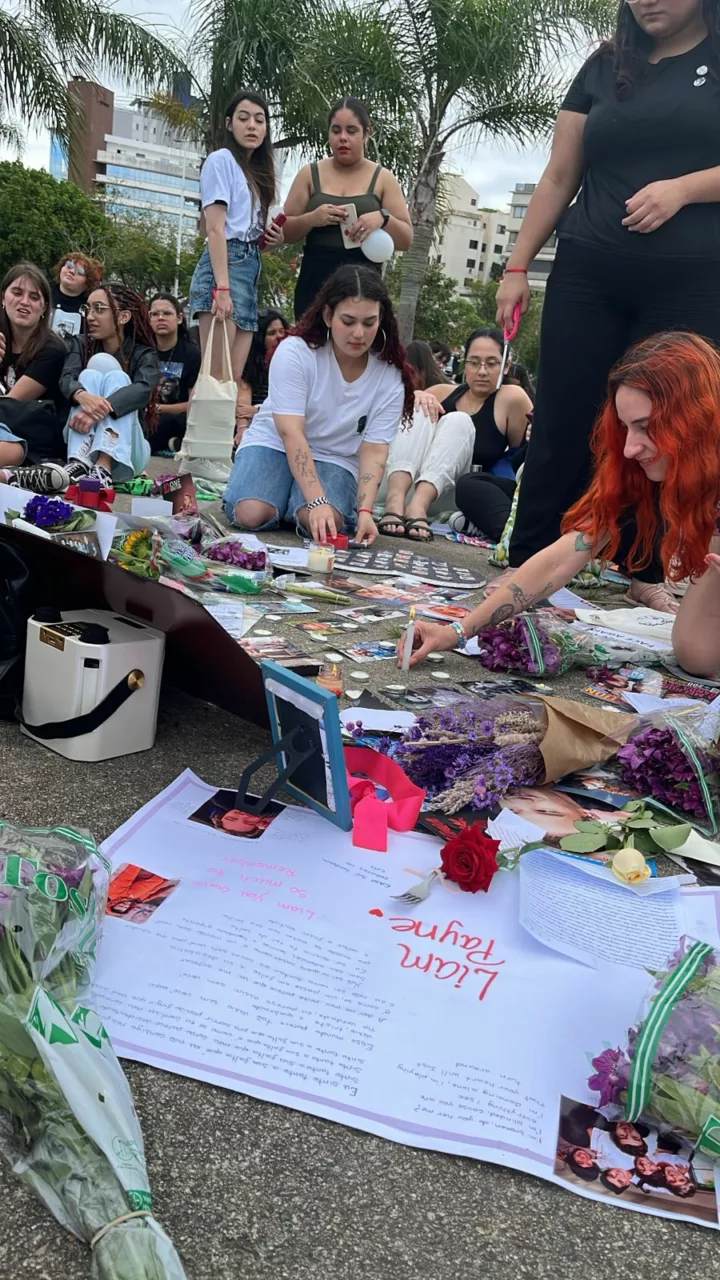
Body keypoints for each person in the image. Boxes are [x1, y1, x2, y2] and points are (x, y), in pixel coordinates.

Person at [495, 0, 720, 615]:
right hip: (590, 268)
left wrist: (684, 190)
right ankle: (528, 561)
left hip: (691, 278)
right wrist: (517, 267)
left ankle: (643, 568)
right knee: (566, 414)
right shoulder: (604, 65)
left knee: (664, 427)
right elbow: (559, 173)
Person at [399, 332, 720, 667]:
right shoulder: (635, 469)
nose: (629, 448)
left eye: (646, 427)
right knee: (694, 654)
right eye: (626, 428)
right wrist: (456, 632)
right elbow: (561, 556)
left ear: (696, 416)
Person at [224, 265, 414, 545]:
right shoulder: (295, 351)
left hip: (335, 456)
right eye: (348, 321)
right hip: (274, 442)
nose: (359, 333)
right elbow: (291, 432)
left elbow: (375, 450)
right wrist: (317, 499)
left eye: (369, 322)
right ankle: (285, 496)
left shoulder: (389, 376)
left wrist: (364, 511)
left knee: (326, 525)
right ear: (327, 315)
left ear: (381, 320)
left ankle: (293, 503)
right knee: (250, 514)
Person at [187, 89, 284, 482]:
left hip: (248, 265)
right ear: (229, 124)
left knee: (229, 378)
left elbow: (250, 232)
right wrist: (222, 288)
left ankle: (211, 455)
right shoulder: (221, 161)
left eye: (259, 119)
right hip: (224, 266)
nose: (252, 125)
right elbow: (216, 228)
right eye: (243, 117)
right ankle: (197, 456)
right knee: (212, 373)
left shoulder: (257, 172)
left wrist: (271, 239)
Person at [381, 328, 532, 543]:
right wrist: (417, 396)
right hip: (401, 482)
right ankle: (394, 502)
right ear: (464, 364)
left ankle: (418, 506)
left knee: (458, 421)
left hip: (452, 491)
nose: (482, 371)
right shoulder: (441, 392)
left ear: (505, 366)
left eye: (491, 364)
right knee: (420, 403)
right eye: (474, 362)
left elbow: (519, 461)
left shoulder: (511, 398)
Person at [283, 97, 413, 320]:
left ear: (366, 134)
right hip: (315, 281)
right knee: (312, 349)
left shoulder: (383, 178)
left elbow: (406, 239)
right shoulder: (309, 174)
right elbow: (284, 231)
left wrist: (382, 218)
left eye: (351, 130)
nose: (343, 137)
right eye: (336, 130)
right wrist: (311, 219)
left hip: (364, 286)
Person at [59, 283, 159, 487]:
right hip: (80, 436)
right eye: (88, 309)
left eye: (99, 309)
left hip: (128, 453)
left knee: (118, 379)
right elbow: (67, 378)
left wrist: (94, 410)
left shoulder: (144, 353)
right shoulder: (80, 343)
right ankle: (80, 461)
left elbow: (143, 390)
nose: (90, 317)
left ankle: (105, 464)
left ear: (123, 317)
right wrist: (82, 396)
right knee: (89, 374)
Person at [0, 262, 70, 492]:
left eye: (34, 297)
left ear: (44, 308)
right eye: (17, 293)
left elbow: (9, 404)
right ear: (3, 298)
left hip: (33, 438)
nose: (24, 302)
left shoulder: (52, 349)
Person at [148, 293, 201, 455]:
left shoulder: (192, 354)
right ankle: (174, 444)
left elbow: (194, 404)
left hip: (178, 417)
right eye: (155, 314)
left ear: (179, 318)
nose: (161, 318)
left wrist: (158, 408)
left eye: (167, 313)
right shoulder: (142, 350)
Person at [235, 307, 288, 437]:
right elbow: (243, 407)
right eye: (272, 333)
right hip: (256, 425)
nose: (279, 337)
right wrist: (242, 429)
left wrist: (258, 410)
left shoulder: (292, 364)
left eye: (282, 331)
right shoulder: (250, 365)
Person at [51, 253, 102, 340]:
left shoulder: (91, 307)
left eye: (80, 272)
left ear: (88, 282)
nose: (71, 271)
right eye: (69, 265)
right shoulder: (43, 293)